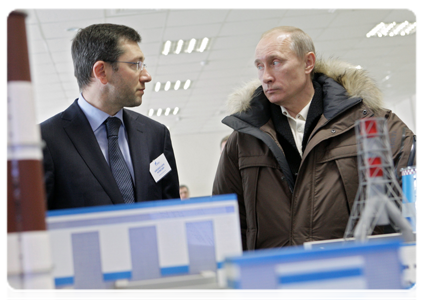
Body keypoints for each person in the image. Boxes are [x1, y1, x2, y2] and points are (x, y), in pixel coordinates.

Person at [212, 26, 420, 250]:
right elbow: (226, 225)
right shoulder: (243, 141)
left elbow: (414, 196)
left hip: (358, 273)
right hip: (275, 277)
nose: (266, 77)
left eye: (276, 62)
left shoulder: (373, 124)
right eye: (260, 66)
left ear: (308, 63)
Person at [41, 23, 179, 210]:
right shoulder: (45, 141)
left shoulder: (155, 134)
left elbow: (172, 212)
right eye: (135, 65)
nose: (146, 76)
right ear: (101, 72)